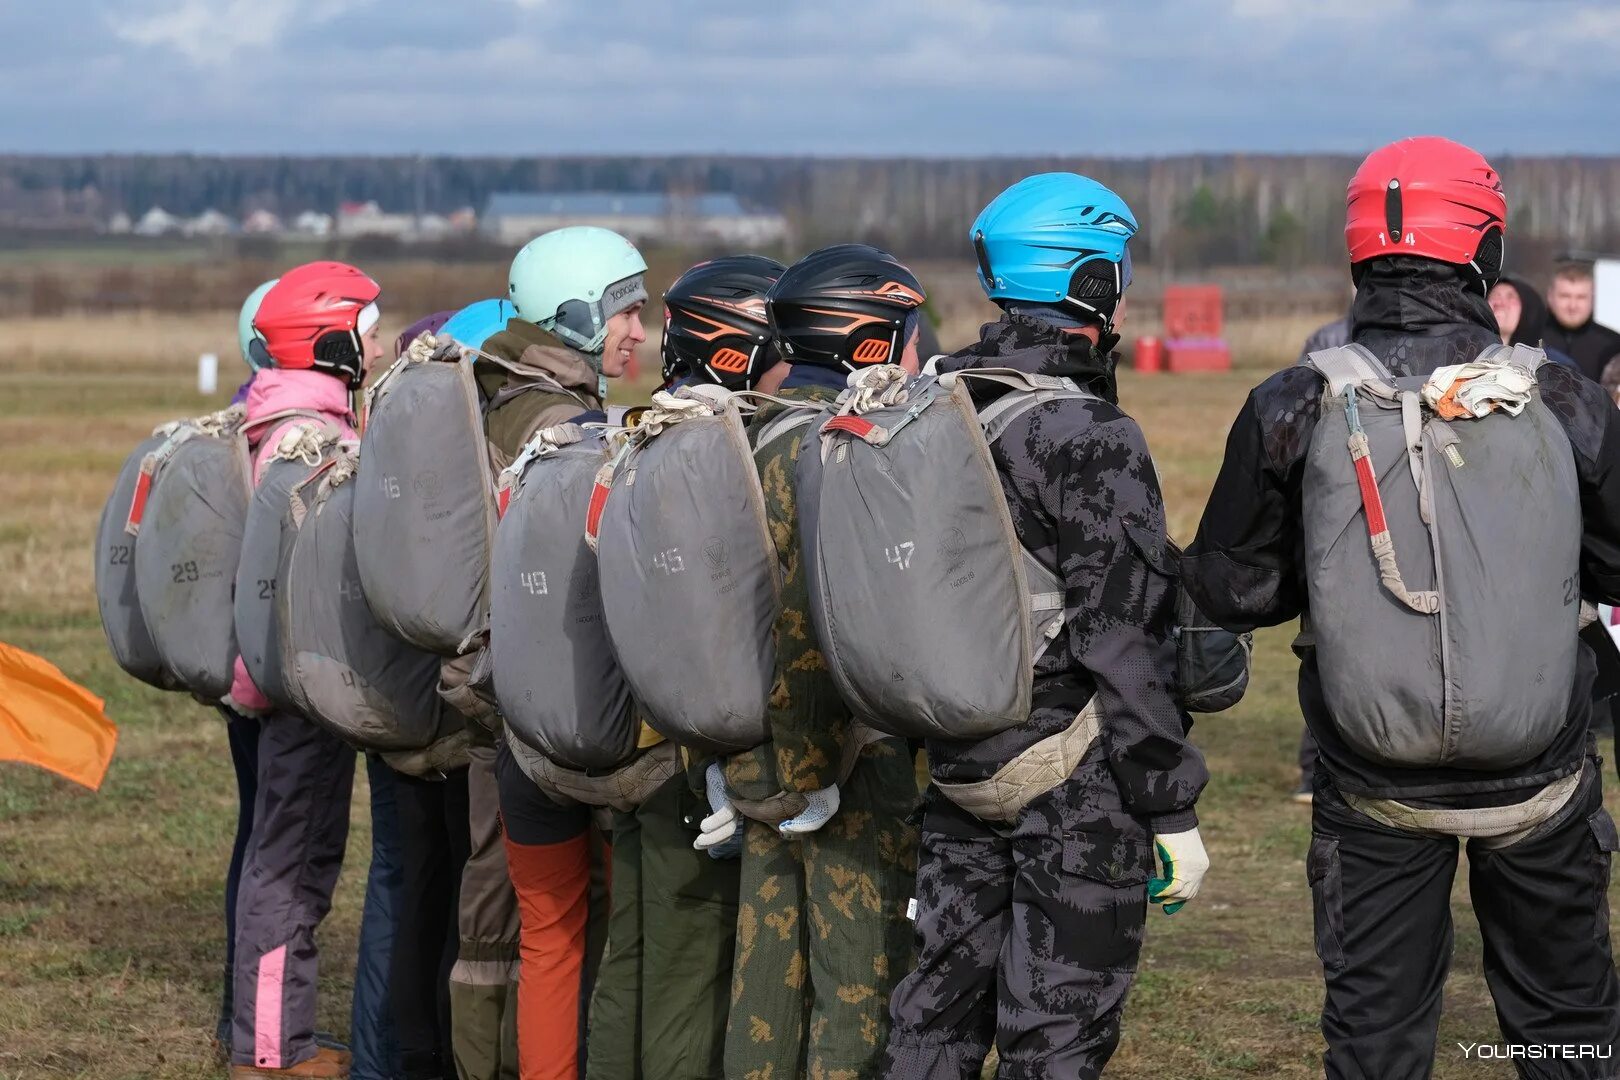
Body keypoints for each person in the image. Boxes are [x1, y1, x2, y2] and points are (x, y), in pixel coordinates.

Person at [1183, 137, 1620, 1078]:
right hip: (1541, 786)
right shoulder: (1567, 397)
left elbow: (1233, 590)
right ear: (1484, 249)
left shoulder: (1292, 400)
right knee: (1572, 1027)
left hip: (1373, 795)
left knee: (1376, 1042)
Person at [883, 175, 1210, 1078]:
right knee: (1056, 1038)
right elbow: (1125, 638)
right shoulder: (1087, 432)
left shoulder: (930, 403)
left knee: (931, 1025)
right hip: (1074, 777)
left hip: (952, 758)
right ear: (1093, 282)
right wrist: (1170, 803)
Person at [698, 244, 923, 1080]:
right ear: (867, 338)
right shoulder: (840, 448)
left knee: (763, 995)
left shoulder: (733, 435)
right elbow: (810, 625)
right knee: (857, 990)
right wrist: (816, 765)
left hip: (747, 757)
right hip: (839, 769)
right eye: (903, 328)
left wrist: (724, 759)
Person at [481, 227, 651, 1080]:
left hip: (513, 719)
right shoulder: (564, 430)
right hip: (583, 712)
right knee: (616, 929)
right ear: (577, 314)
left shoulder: (488, 397)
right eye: (624, 310)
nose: (640, 332)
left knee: (547, 937)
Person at [228, 260, 384, 1079]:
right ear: (331, 339)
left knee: (291, 857)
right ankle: (271, 1052)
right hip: (298, 688)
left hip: (281, 680)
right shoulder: (306, 438)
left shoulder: (278, 418)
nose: (376, 342)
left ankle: (273, 1036)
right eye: (365, 328)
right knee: (291, 868)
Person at [214, 278, 279, 1060]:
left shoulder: (242, 419)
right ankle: (256, 1029)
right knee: (271, 844)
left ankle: (243, 997)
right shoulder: (278, 436)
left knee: (251, 832)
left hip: (237, 671)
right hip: (261, 672)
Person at [1544, 262, 1620, 382]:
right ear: (1550, 297)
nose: (1573, 306)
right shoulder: (1530, 338)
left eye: (1581, 297)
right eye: (1565, 296)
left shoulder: (1613, 345)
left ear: (1592, 299)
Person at [1488, 274, 1578, 366]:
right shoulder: (1474, 354)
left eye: (1510, 297)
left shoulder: (1554, 366)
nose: (1499, 303)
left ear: (1528, 309)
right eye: (1495, 295)